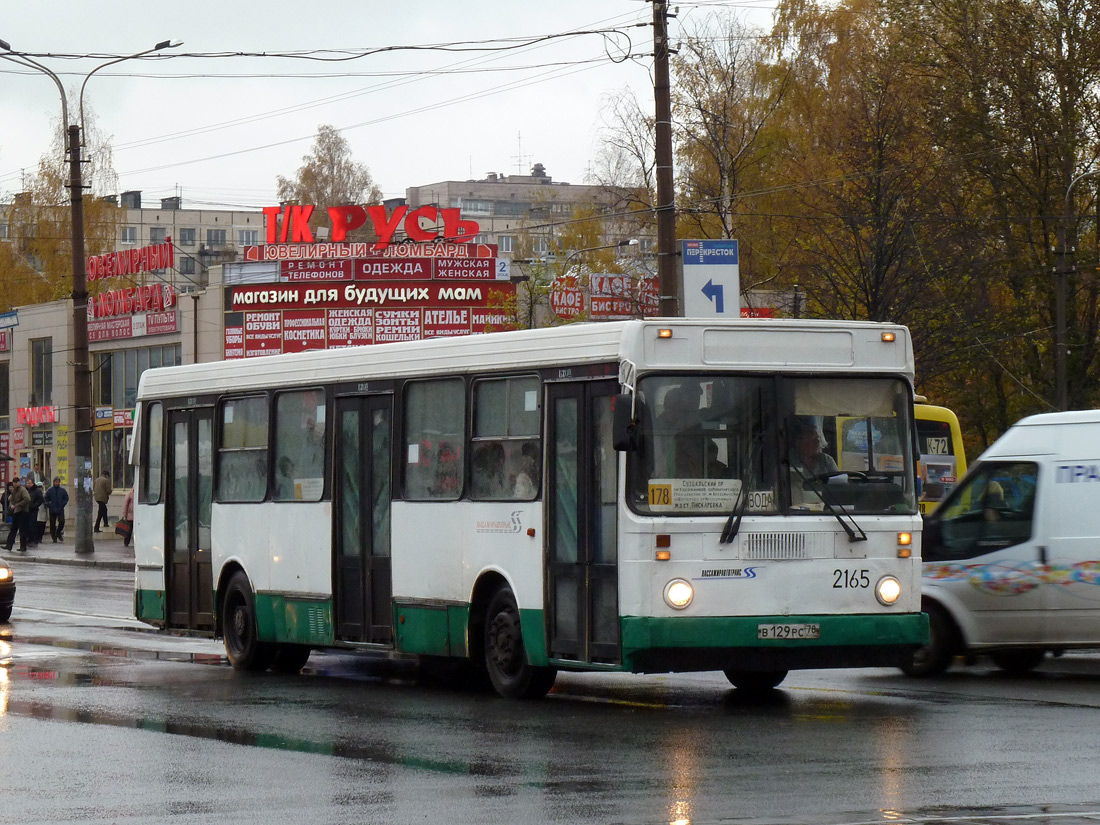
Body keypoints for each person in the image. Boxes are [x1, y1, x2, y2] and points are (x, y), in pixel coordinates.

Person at [4, 477, 30, 552]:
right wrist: (12, 503)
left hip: (23, 511)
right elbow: (11, 499)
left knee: (22, 530)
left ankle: (23, 546)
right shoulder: (15, 490)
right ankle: (9, 545)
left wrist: (17, 505)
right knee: (13, 529)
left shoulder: (22, 490)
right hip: (16, 511)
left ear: (19, 482)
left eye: (16, 482)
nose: (15, 484)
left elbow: (27, 499)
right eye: (14, 482)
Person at [44, 477, 69, 543]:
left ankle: (58, 532)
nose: (57, 483)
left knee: (62, 521)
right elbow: (46, 499)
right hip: (52, 509)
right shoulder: (50, 490)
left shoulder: (62, 490)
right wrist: (49, 505)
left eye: (58, 482)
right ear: (53, 482)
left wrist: (62, 504)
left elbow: (66, 498)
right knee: (52, 524)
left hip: (60, 508)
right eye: (56, 482)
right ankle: (54, 537)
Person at [24, 476, 44, 547]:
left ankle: (34, 540)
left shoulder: (37, 490)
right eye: (27, 483)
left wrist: (35, 505)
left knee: (32, 526)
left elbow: (41, 499)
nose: (28, 484)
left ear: (33, 483)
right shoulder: (25, 490)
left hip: (33, 510)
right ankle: (28, 540)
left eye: (30, 483)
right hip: (26, 510)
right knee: (27, 526)